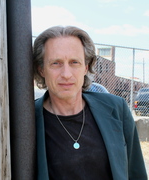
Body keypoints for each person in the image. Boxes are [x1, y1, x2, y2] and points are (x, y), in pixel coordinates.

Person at [33, 26, 147, 180]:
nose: (66, 74)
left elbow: (136, 173)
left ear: (86, 67)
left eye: (74, 62)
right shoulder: (28, 119)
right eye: (56, 63)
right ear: (41, 69)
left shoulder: (116, 109)